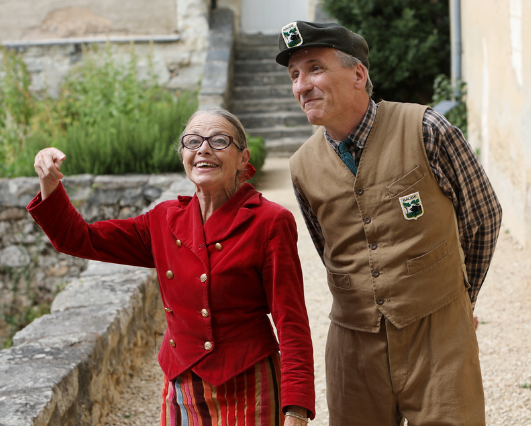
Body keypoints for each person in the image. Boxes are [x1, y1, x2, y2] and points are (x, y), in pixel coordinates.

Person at [276, 21, 503, 425]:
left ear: (358, 74)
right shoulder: (301, 168)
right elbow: (329, 250)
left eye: (314, 68)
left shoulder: (427, 128)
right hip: (353, 348)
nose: (301, 85)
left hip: (439, 338)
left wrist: (460, 299)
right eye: (294, 75)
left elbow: (483, 216)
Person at [27, 108, 315, 425]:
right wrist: (49, 182)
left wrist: (296, 409)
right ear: (183, 157)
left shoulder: (270, 221)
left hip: (249, 382)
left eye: (219, 141)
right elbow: (79, 239)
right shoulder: (163, 219)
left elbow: (292, 322)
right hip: (181, 383)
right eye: (192, 141)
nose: (203, 149)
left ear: (243, 158)